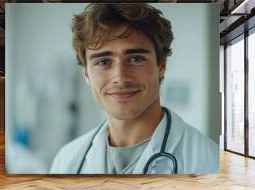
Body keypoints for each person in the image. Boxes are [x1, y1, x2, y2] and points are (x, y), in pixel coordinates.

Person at [50, 3, 219, 174]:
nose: (120, 77)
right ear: (86, 74)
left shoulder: (211, 161)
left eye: (136, 59)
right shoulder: (66, 161)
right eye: (103, 62)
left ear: (161, 65)